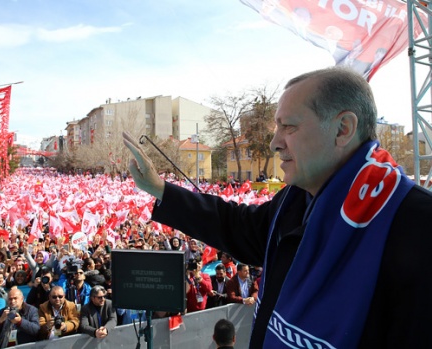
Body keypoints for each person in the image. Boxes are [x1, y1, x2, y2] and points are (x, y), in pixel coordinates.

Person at [122, 66, 432, 348]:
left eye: (289, 127)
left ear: (343, 129)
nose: (274, 143)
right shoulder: (294, 198)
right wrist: (159, 188)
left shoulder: (416, 221)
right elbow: (236, 226)